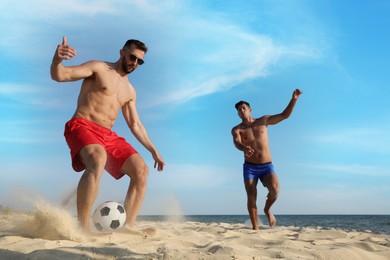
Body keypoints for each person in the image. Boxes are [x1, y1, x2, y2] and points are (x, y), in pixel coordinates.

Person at [50, 36, 165, 233]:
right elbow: (61, 76)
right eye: (132, 57)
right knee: (98, 158)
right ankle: (83, 227)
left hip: (107, 134)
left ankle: (127, 226)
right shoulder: (99, 68)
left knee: (141, 170)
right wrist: (57, 60)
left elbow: (135, 124)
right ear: (122, 52)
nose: (134, 63)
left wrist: (153, 150)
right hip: (82, 125)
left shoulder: (130, 90)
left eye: (139, 61)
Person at [231, 89, 302, 230]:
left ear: (250, 109)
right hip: (250, 167)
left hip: (266, 166)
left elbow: (284, 115)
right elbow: (236, 142)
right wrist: (243, 148)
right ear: (238, 113)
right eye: (239, 110)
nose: (242, 111)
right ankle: (255, 228)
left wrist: (294, 99)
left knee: (275, 190)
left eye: (244, 108)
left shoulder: (263, 121)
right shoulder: (237, 129)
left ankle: (267, 209)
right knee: (251, 195)